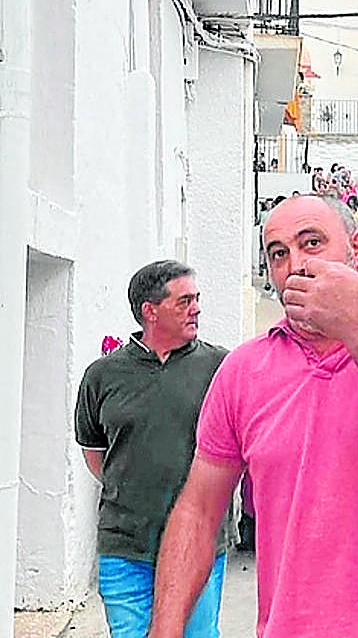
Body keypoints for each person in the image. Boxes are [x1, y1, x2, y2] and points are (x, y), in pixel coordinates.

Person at [147, 195, 358, 638]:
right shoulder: (243, 370)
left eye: (312, 243)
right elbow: (198, 510)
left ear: (357, 250)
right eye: (278, 253)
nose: (296, 265)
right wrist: (164, 630)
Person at [74, 261, 231, 638]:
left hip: (200, 544)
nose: (196, 308)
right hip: (125, 546)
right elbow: (95, 452)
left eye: (197, 299)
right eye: (184, 301)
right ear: (150, 310)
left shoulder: (221, 367)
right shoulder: (102, 376)